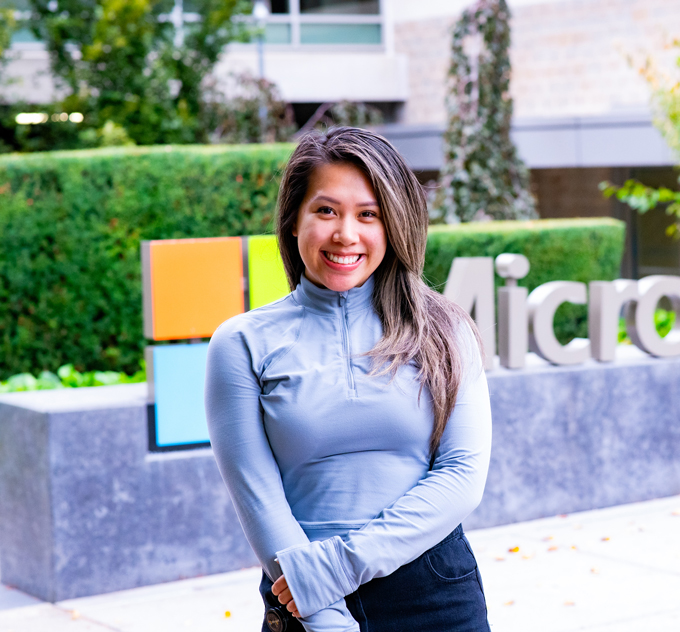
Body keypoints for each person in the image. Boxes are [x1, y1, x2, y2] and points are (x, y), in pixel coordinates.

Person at [204, 127, 493, 632]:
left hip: (433, 591)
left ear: (395, 225)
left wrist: (336, 569)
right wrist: (323, 611)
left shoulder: (445, 330)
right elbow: (257, 495)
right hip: (298, 594)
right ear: (294, 221)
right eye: (326, 210)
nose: (346, 234)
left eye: (369, 214)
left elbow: (462, 476)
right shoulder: (241, 343)